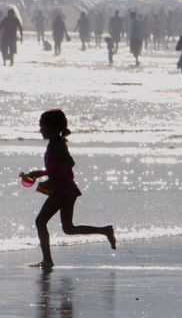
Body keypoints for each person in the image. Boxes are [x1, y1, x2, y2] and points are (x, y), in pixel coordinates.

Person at [22, 109, 117, 269]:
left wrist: (52, 179)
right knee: (68, 228)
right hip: (67, 190)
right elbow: (59, 166)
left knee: (40, 221)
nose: (40, 130)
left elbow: (69, 163)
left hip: (62, 190)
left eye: (42, 126)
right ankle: (105, 231)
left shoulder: (56, 143)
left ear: (52, 127)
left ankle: (47, 260)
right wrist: (41, 173)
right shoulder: (56, 142)